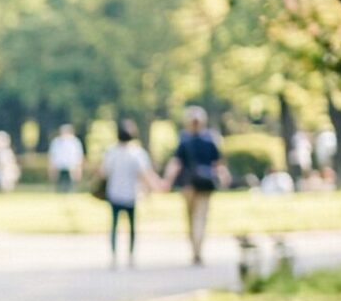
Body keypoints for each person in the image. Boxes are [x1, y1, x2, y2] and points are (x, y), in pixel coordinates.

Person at [162, 106, 228, 266]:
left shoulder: (184, 140)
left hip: (188, 184)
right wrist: (224, 178)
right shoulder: (210, 140)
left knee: (191, 218)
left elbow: (176, 163)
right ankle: (198, 249)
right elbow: (218, 164)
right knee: (201, 218)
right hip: (205, 184)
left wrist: (167, 180)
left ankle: (195, 250)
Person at [99, 119, 156, 267]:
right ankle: (131, 254)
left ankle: (114, 255)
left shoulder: (111, 152)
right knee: (131, 226)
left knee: (114, 225)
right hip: (131, 194)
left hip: (114, 193)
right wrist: (151, 189)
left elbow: (103, 172)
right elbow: (144, 173)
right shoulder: (137, 153)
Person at [48, 123, 86, 193]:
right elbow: (53, 155)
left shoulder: (75, 142)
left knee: (70, 184)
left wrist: (78, 167)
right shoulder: (56, 142)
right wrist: (52, 167)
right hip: (59, 166)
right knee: (59, 184)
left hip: (71, 166)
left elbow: (78, 155)